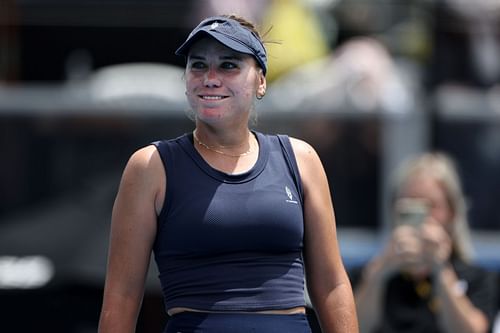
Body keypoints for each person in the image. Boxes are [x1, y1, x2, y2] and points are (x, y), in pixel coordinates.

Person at [98, 14, 358, 333]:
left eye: (228, 65)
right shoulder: (150, 166)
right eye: (198, 65)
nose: (210, 77)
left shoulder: (301, 159)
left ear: (260, 80)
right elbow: (121, 297)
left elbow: (332, 285)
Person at [351, 152, 498, 333]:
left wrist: (441, 271)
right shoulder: (369, 275)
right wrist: (380, 272)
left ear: (452, 213)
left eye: (430, 206)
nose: (422, 217)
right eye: (409, 205)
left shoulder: (478, 279)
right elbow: (348, 327)